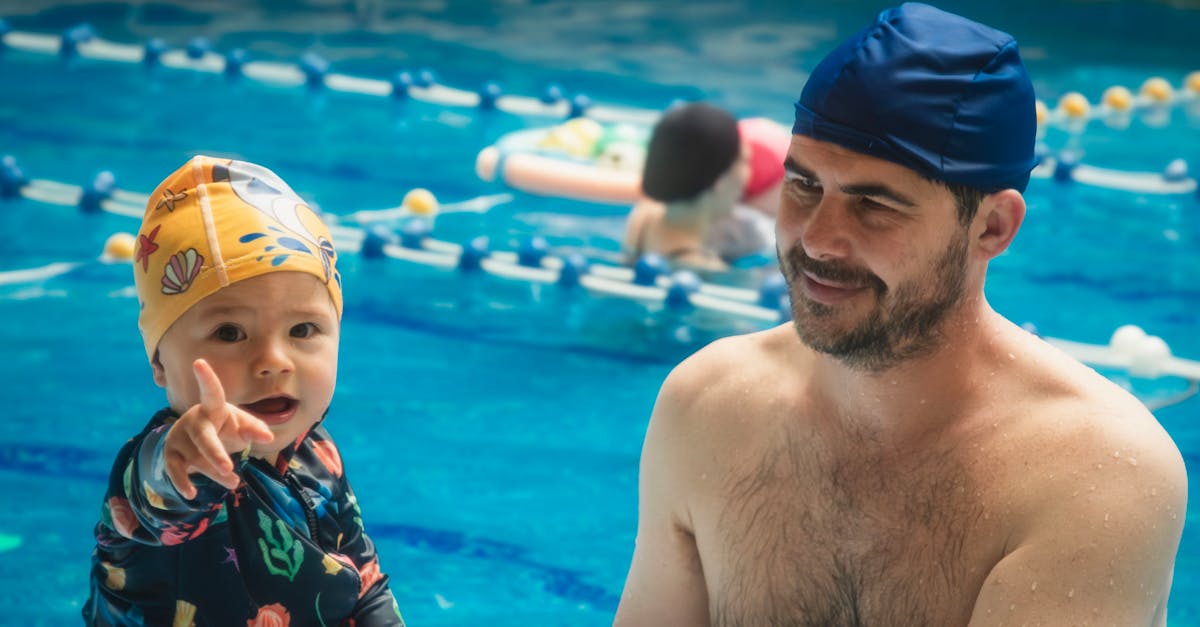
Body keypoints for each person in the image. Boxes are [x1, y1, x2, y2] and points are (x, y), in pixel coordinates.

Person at [615, 3, 1186, 626]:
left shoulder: (1090, 473)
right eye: (804, 186)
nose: (817, 240)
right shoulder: (707, 406)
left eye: (875, 205)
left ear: (991, 227)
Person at [84, 156, 406, 625]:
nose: (274, 360)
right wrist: (188, 454)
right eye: (230, 334)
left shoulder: (319, 457)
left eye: (303, 329)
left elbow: (363, 581)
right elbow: (165, 505)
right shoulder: (152, 467)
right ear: (158, 360)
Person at [623, 102, 780, 271]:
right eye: (745, 161)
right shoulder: (706, 269)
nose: (750, 174)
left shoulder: (643, 214)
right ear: (720, 180)